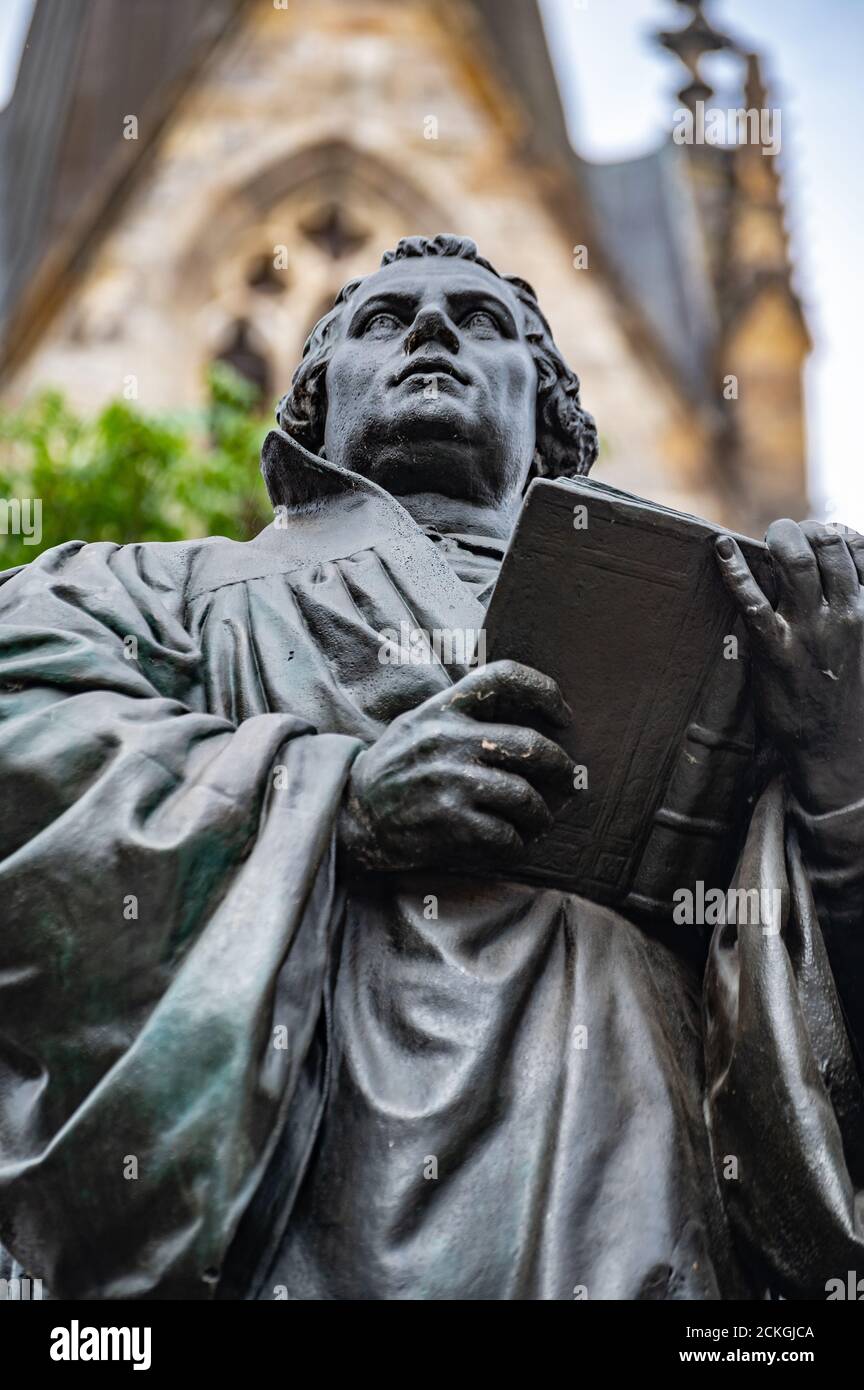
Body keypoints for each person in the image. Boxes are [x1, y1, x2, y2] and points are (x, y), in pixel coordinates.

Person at [1, 234, 863, 1300]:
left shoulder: (721, 635)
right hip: (308, 1194)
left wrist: (839, 769)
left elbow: (811, 1013)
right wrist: (330, 798)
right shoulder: (154, 592)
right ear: (308, 403)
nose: (433, 331)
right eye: (380, 318)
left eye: (485, 321)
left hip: (631, 1185)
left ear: (548, 417)